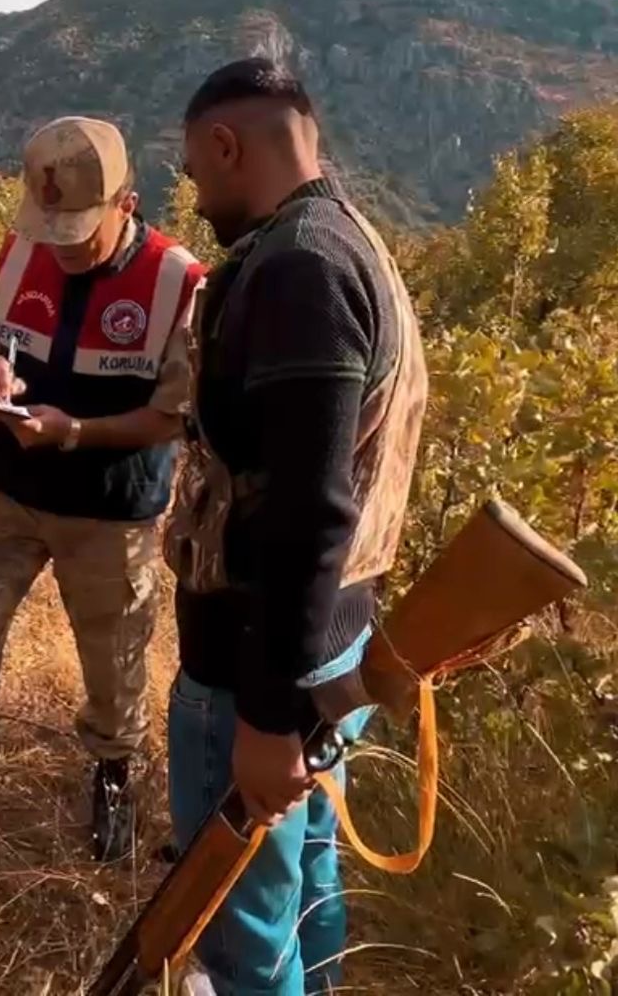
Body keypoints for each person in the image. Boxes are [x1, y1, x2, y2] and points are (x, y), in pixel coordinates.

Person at [161, 59, 428, 994]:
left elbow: (310, 507)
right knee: (308, 895)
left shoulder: (299, 266)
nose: (197, 199)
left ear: (228, 146)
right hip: (323, 649)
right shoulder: (356, 243)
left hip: (256, 669)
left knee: (243, 938)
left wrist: (267, 719)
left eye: (197, 173)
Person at [0, 116, 205, 866]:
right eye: (52, 226)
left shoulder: (179, 282)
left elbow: (173, 414)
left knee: (114, 654)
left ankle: (111, 776)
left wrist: (74, 432)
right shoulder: (23, 247)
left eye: (81, 230)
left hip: (109, 505)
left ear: (127, 204)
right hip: (10, 488)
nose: (63, 245)